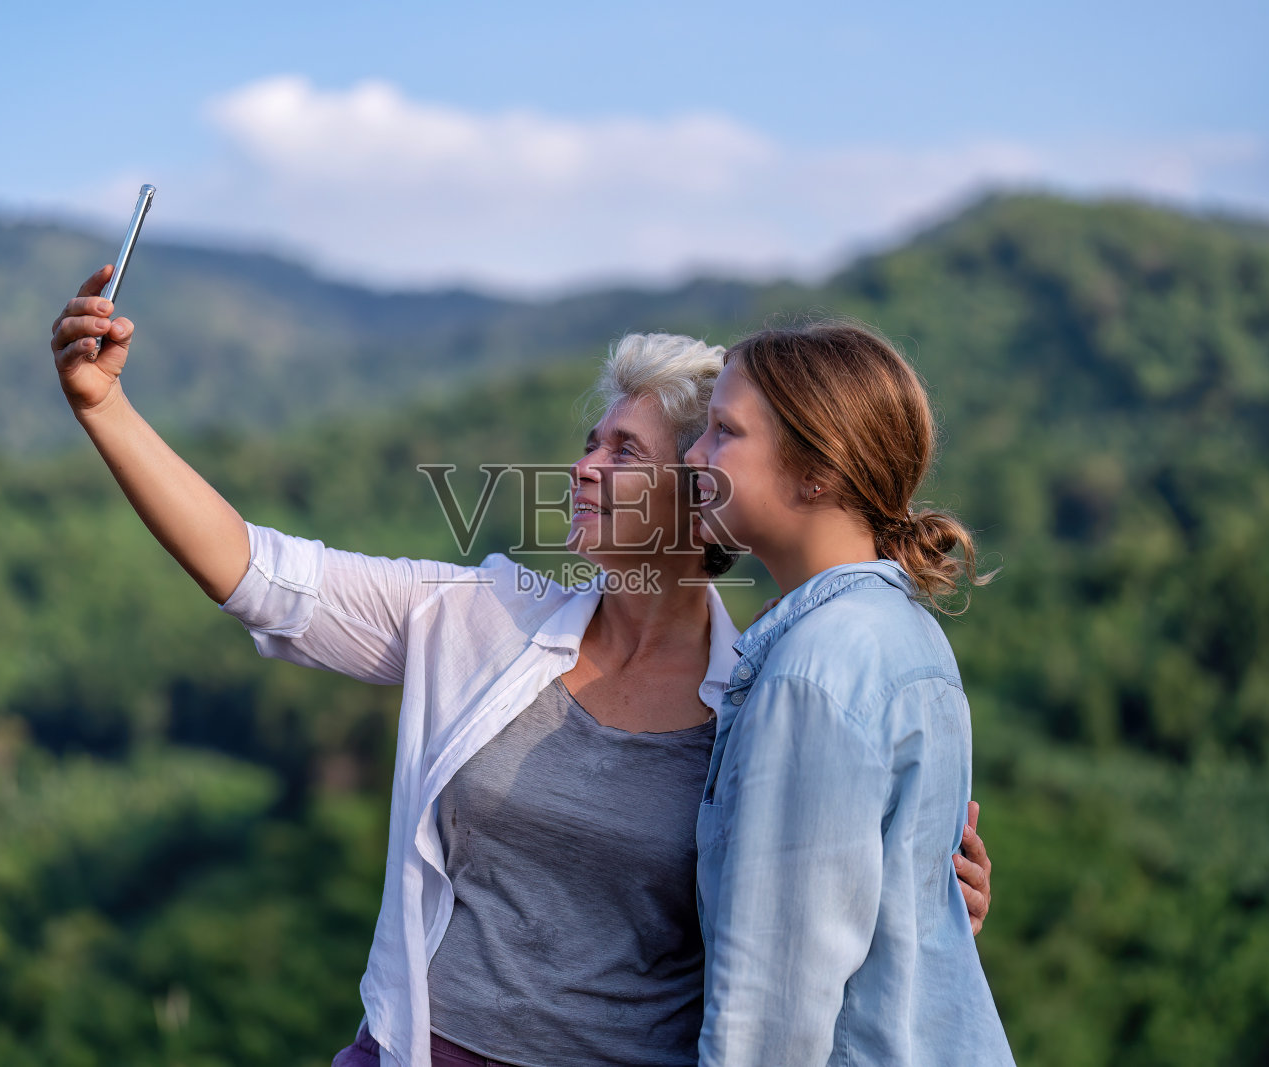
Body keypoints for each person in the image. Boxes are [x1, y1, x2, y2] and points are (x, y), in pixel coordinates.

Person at [49, 269, 995, 1067]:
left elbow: (795, 931)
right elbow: (262, 574)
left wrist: (920, 898)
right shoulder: (483, 619)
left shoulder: (762, 696)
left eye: (626, 451)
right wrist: (105, 408)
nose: (583, 468)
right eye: (590, 443)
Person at [683, 321, 1015, 1065]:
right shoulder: (905, 629)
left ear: (817, 472)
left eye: (724, 431)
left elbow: (772, 1012)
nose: (694, 455)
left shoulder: (812, 671)